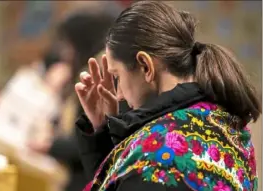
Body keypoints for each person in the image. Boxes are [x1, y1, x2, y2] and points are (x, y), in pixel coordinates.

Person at [74, 1, 261, 191]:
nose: (119, 95)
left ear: (146, 66)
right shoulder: (226, 123)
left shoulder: (154, 161)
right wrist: (101, 132)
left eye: (117, 77)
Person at [28, 6, 128, 191]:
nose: (65, 53)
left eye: (68, 45)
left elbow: (99, 140)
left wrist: (51, 146)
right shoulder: (88, 68)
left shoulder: (103, 73)